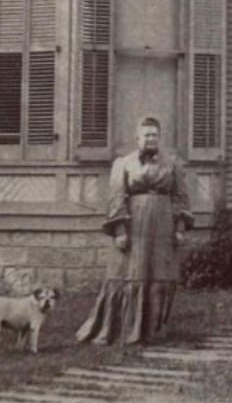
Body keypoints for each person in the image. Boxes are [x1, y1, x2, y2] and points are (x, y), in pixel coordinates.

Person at [75, 116, 192, 345]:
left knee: (160, 275)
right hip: (134, 223)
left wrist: (179, 228)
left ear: (160, 138)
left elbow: (181, 197)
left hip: (163, 225)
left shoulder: (173, 164)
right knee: (127, 272)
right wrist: (120, 230)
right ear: (137, 138)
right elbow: (117, 197)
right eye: (146, 135)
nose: (151, 139)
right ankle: (121, 328)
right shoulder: (124, 163)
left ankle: (154, 330)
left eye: (155, 135)